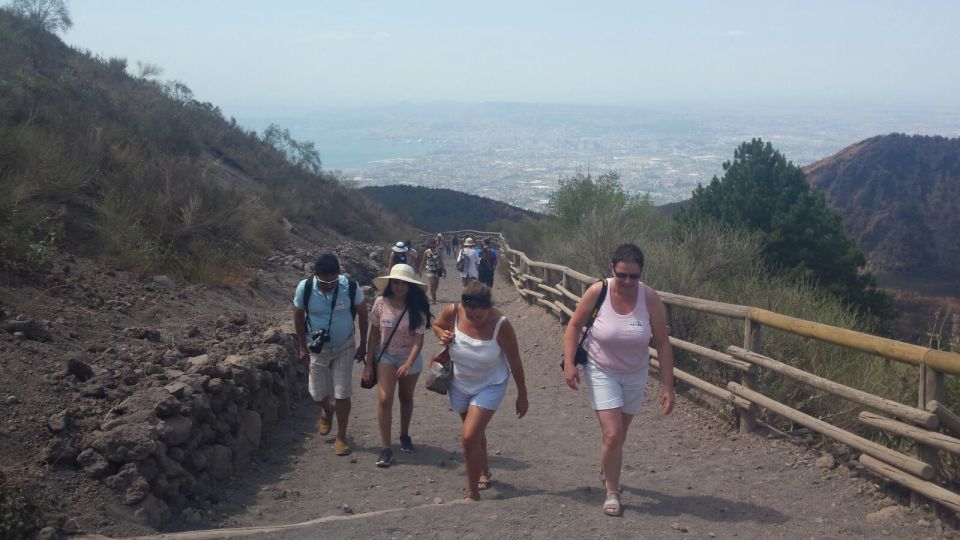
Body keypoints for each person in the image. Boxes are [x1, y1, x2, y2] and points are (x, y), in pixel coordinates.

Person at [561, 243, 675, 517]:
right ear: (612, 269)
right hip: (602, 369)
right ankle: (612, 490)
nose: (627, 281)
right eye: (622, 274)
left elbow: (662, 343)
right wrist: (569, 363)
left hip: (636, 373)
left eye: (633, 276)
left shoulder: (649, 298)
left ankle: (607, 465)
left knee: (619, 435)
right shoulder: (598, 291)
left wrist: (668, 385)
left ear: (641, 274)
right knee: (612, 433)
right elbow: (574, 325)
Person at [432, 282, 528, 501]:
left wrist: (522, 395)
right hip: (460, 382)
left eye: (479, 317)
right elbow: (436, 325)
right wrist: (442, 333)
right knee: (475, 432)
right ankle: (484, 470)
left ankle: (471, 492)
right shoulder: (453, 312)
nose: (474, 320)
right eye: (470, 316)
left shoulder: (501, 324)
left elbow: (515, 361)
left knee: (468, 437)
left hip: (490, 384)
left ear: (489, 308)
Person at [293, 253, 369, 456]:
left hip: (345, 345)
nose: (329, 286)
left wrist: (363, 345)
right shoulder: (305, 288)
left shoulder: (350, 287)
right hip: (317, 348)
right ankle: (327, 410)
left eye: (333, 281)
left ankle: (341, 436)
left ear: (339, 275)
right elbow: (298, 316)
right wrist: (302, 345)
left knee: (342, 392)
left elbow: (363, 312)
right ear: (316, 276)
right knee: (316, 393)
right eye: (324, 282)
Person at [363, 264, 432, 468]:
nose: (400, 287)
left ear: (410, 286)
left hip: (408, 357)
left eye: (404, 283)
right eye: (396, 282)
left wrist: (409, 363)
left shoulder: (417, 309)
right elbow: (374, 334)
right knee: (385, 399)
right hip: (385, 356)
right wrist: (368, 365)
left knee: (405, 397)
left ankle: (404, 435)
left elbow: (418, 341)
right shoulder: (380, 303)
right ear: (390, 283)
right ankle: (386, 448)